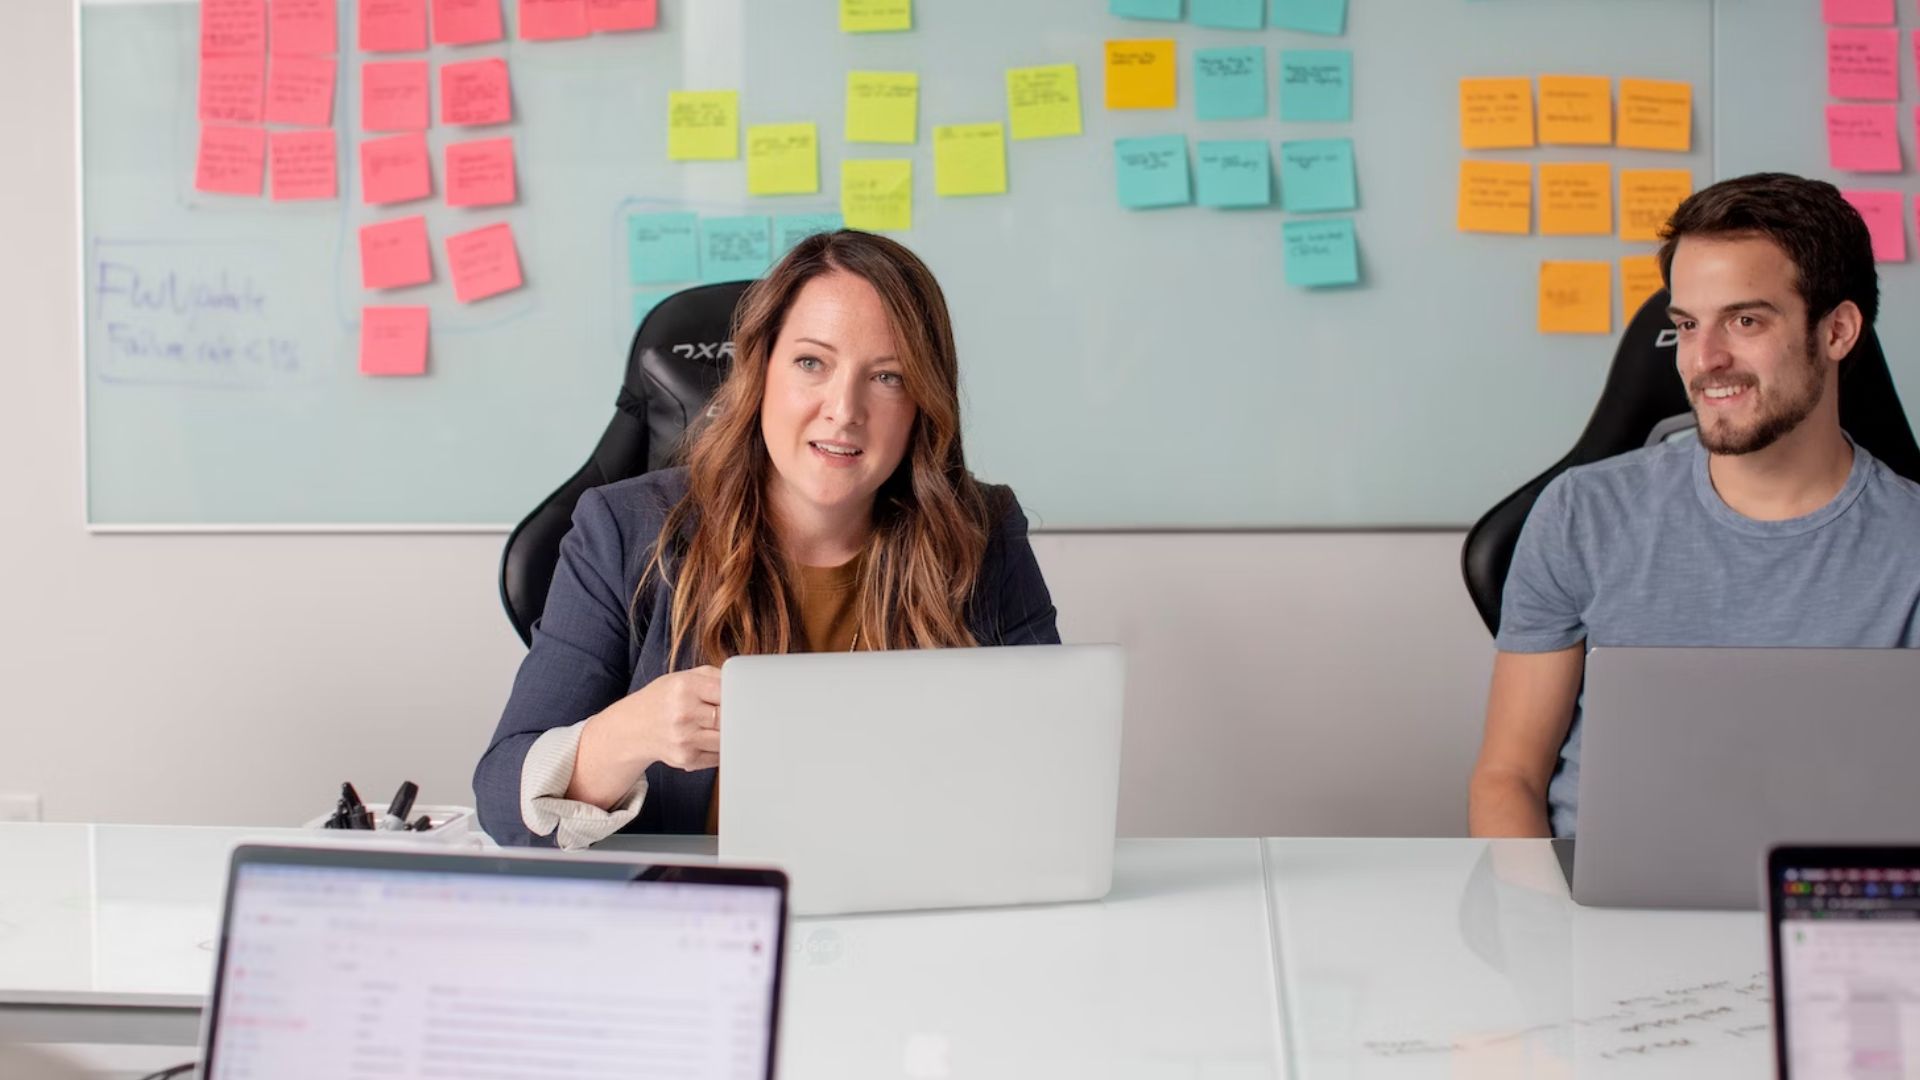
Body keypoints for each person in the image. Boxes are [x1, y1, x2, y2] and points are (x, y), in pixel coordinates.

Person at [475, 230, 1060, 847]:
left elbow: (1055, 764)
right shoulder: (625, 530)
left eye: (887, 376)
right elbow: (501, 805)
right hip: (698, 913)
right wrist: (631, 733)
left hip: (905, 903)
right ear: (760, 371)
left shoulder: (981, 530)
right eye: (812, 363)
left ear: (922, 401)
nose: (844, 409)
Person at [1469, 173, 1920, 838]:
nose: (1704, 360)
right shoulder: (1581, 515)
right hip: (1599, 915)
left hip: (1835, 914)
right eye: (1686, 324)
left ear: (1837, 331)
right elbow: (1510, 778)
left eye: (1744, 320)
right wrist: (1542, 928)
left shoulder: (1909, 543)